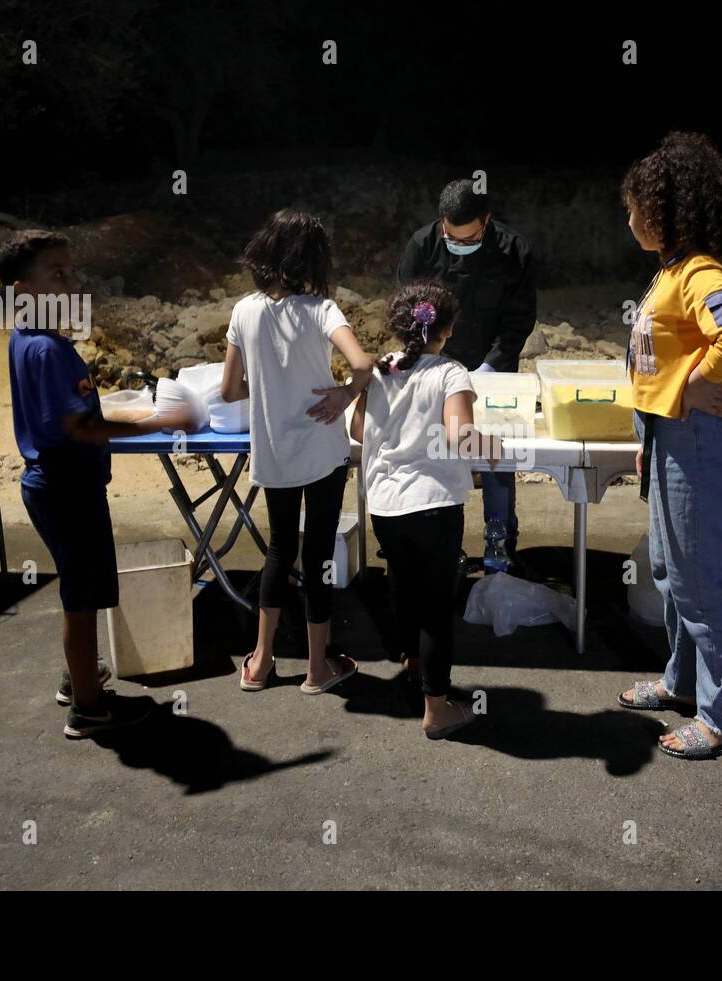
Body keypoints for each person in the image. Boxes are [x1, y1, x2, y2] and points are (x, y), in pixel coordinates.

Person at [0, 229, 196, 739]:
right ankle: (88, 708)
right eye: (56, 273)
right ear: (23, 290)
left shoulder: (29, 337)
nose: (71, 281)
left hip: (58, 484)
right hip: (66, 487)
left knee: (79, 590)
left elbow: (74, 410)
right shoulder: (48, 350)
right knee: (81, 602)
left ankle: (79, 678)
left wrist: (121, 409)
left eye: (72, 271)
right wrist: (157, 423)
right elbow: (79, 428)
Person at [614, 133, 722, 760]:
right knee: (671, 573)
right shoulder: (672, 271)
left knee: (703, 583)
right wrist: (656, 424)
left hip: (699, 442)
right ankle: (682, 683)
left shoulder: (701, 271)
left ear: (663, 211)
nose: (628, 221)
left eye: (634, 209)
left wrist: (692, 388)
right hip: (673, 438)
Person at [221, 210, 375, 696]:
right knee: (317, 554)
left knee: (277, 549)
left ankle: (261, 662)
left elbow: (228, 390)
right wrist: (345, 395)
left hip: (275, 452)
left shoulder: (243, 311)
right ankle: (316, 669)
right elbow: (363, 363)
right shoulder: (321, 309)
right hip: (322, 450)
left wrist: (270, 388)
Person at [349, 281, 499, 739]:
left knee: (405, 586)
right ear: (448, 329)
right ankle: (437, 708)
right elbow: (460, 436)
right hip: (433, 504)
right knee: (436, 604)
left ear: (397, 325)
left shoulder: (377, 371)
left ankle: (413, 664)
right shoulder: (451, 373)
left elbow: (357, 431)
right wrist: (497, 445)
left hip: (388, 506)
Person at [396, 179, 535, 570]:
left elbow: (519, 319)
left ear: (487, 221)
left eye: (471, 237)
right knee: (440, 453)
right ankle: (446, 543)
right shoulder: (422, 248)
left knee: (496, 455)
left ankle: (499, 539)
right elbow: (407, 311)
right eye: (452, 237)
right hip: (435, 368)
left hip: (494, 371)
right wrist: (431, 360)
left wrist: (489, 367)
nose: (460, 243)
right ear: (442, 224)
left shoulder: (513, 251)